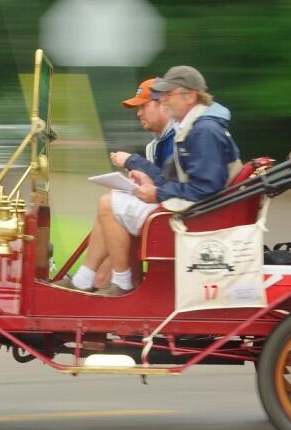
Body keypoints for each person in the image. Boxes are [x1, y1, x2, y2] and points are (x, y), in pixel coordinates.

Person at [61, 66, 242, 296]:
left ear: (190, 96)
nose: (164, 100)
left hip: (198, 218)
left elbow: (207, 187)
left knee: (110, 203)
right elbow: (192, 181)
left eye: (169, 95)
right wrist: (152, 183)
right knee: (111, 204)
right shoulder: (198, 126)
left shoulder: (204, 130)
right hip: (197, 212)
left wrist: (156, 193)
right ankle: (88, 279)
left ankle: (119, 283)